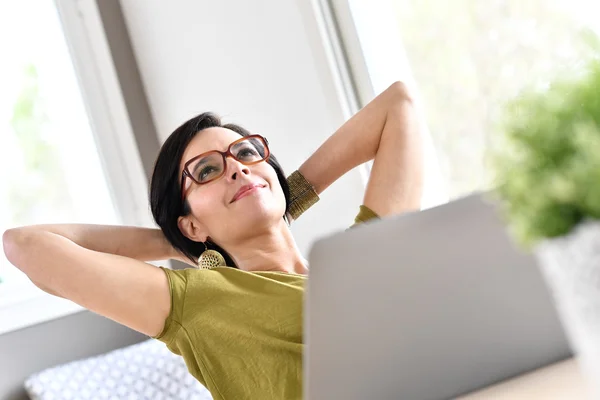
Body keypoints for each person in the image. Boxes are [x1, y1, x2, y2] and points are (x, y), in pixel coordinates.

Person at [2, 81, 423, 399]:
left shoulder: (359, 262)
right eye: (206, 171)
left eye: (245, 153)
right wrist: (180, 244)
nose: (237, 169)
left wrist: (279, 195)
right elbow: (26, 245)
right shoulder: (200, 302)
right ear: (191, 225)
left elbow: (398, 105)